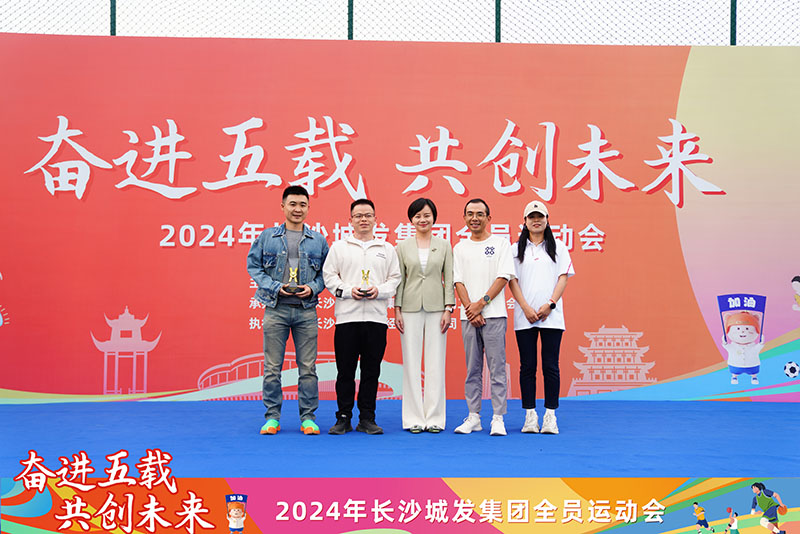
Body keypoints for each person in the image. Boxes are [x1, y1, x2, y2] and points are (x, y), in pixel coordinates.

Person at [246, 185, 328, 435]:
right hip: (276, 309)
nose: (297, 209)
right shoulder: (267, 237)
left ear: (308, 208)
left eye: (302, 204)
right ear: (282, 207)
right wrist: (275, 286)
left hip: (306, 311)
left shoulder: (318, 240)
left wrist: (312, 288)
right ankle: (272, 417)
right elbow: (253, 266)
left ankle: (308, 418)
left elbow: (327, 274)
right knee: (272, 368)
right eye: (292, 204)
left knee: (308, 368)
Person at [322, 198, 401, 435]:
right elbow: (329, 276)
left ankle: (367, 418)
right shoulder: (339, 247)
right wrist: (348, 291)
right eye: (358, 216)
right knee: (345, 371)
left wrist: (380, 291)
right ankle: (343, 417)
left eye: (368, 215)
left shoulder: (386, 248)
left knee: (371, 371)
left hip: (376, 319)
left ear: (376, 219)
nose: (363, 219)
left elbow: (395, 278)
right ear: (350, 220)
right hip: (347, 318)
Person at [508, 201, 574, 434]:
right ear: (525, 221)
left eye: (540, 216)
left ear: (547, 219)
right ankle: (529, 415)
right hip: (524, 316)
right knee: (527, 366)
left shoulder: (558, 247)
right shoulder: (515, 249)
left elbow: (563, 277)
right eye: (531, 217)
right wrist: (526, 308)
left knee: (550, 366)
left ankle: (550, 416)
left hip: (551, 317)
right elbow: (512, 280)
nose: (536, 221)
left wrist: (550, 304)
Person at [452, 198, 515, 436]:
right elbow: (458, 281)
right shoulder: (459, 248)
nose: (474, 218)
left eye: (479, 214)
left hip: (494, 315)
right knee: (473, 369)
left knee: (497, 368)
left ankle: (498, 417)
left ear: (489, 218)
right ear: (464, 218)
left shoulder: (501, 244)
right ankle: (474, 416)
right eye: (470, 214)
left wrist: (482, 304)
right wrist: (470, 309)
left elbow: (503, 277)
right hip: (469, 317)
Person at [395, 198, 455, 433]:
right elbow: (400, 280)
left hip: (437, 308)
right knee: (411, 362)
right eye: (418, 216)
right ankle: (413, 419)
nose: (423, 219)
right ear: (411, 219)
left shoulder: (444, 245)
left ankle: (435, 418)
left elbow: (449, 278)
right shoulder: (402, 247)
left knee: (435, 362)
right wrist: (397, 309)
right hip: (409, 308)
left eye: (427, 215)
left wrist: (448, 308)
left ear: (434, 218)